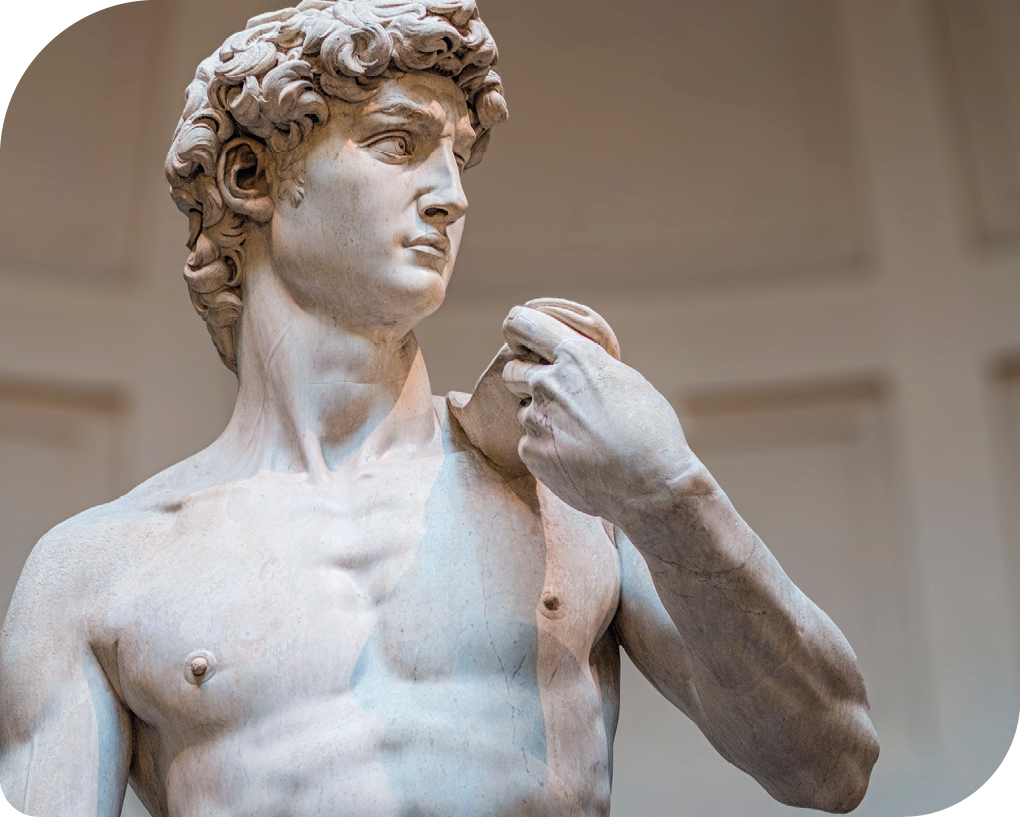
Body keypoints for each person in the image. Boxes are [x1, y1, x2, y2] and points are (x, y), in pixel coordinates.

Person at [0, 2, 879, 815]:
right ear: (250, 175)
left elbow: (830, 761)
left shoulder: (568, 491)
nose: (452, 193)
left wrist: (670, 494)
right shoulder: (99, 571)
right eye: (398, 143)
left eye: (458, 155)